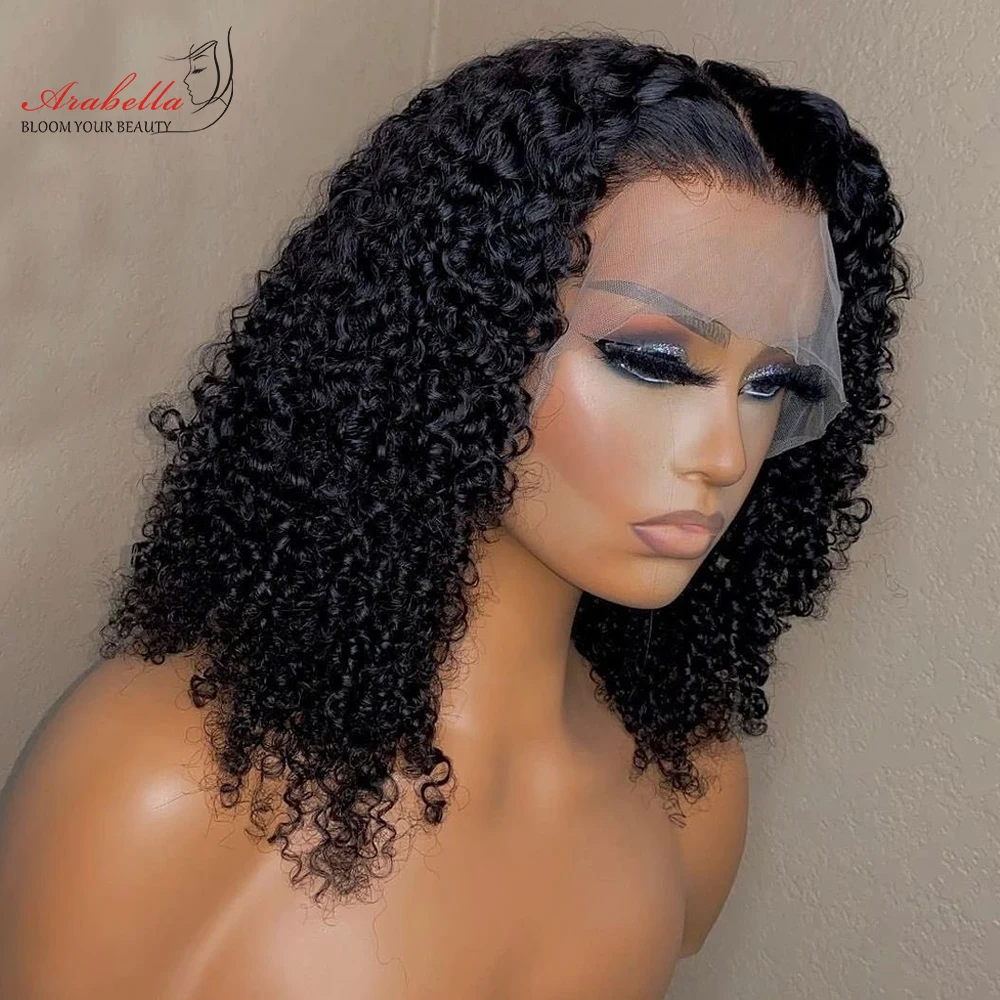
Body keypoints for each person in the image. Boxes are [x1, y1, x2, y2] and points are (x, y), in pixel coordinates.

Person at [0, 32, 911, 999]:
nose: (726, 455)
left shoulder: (690, 789)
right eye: (652, 362)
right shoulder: (160, 781)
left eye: (772, 385)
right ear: (455, 337)